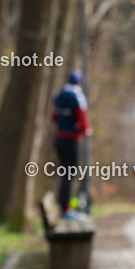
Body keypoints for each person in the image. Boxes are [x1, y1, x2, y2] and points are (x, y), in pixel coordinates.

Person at [52, 70, 92, 218]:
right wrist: (86, 130)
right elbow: (82, 117)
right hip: (72, 139)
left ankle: (64, 206)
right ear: (80, 82)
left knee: (65, 173)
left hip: (59, 138)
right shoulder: (78, 96)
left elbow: (54, 117)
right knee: (70, 173)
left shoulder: (60, 95)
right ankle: (66, 209)